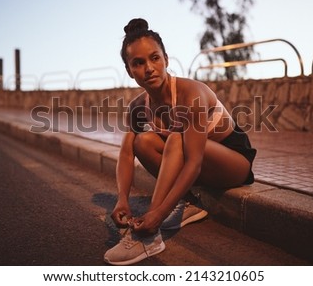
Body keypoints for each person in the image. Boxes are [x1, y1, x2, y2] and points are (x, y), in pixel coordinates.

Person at [104, 18, 256, 265]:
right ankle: (188, 203)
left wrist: (158, 214)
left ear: (166, 59)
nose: (149, 68)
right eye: (138, 63)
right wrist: (122, 199)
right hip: (199, 164)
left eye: (155, 58)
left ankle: (149, 235)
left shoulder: (190, 94)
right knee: (142, 142)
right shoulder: (137, 107)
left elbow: (193, 161)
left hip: (234, 163)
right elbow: (125, 154)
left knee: (176, 139)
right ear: (130, 71)